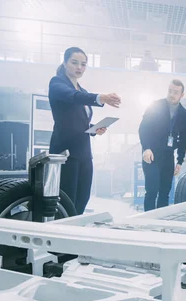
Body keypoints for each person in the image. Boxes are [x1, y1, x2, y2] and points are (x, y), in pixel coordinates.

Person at [48, 46, 121, 214]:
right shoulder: (57, 83)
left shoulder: (83, 91)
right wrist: (100, 97)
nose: (79, 67)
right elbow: (72, 97)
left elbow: (78, 122)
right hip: (66, 152)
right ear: (65, 63)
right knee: (67, 200)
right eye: (74, 62)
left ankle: (75, 231)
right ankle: (63, 234)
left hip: (84, 153)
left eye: (83, 64)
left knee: (82, 199)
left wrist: (94, 129)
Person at [138, 79, 186, 211]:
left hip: (168, 157)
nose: (171, 94)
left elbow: (184, 139)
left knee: (165, 192)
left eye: (176, 92)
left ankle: (161, 224)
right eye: (170, 91)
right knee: (152, 190)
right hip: (152, 155)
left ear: (182, 95)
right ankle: (148, 224)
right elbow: (143, 129)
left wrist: (179, 161)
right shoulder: (155, 106)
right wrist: (146, 148)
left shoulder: (185, 115)